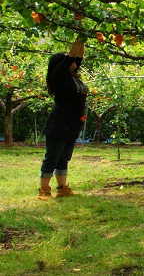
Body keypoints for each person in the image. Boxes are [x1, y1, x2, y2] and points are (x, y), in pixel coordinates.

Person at [38, 37, 88, 199]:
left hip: (73, 121)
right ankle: (44, 189)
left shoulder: (71, 75)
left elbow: (78, 56)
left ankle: (62, 188)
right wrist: (79, 36)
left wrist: (84, 38)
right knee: (53, 156)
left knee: (64, 157)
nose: (73, 61)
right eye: (68, 59)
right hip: (59, 121)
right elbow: (72, 56)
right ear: (61, 63)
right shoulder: (59, 75)